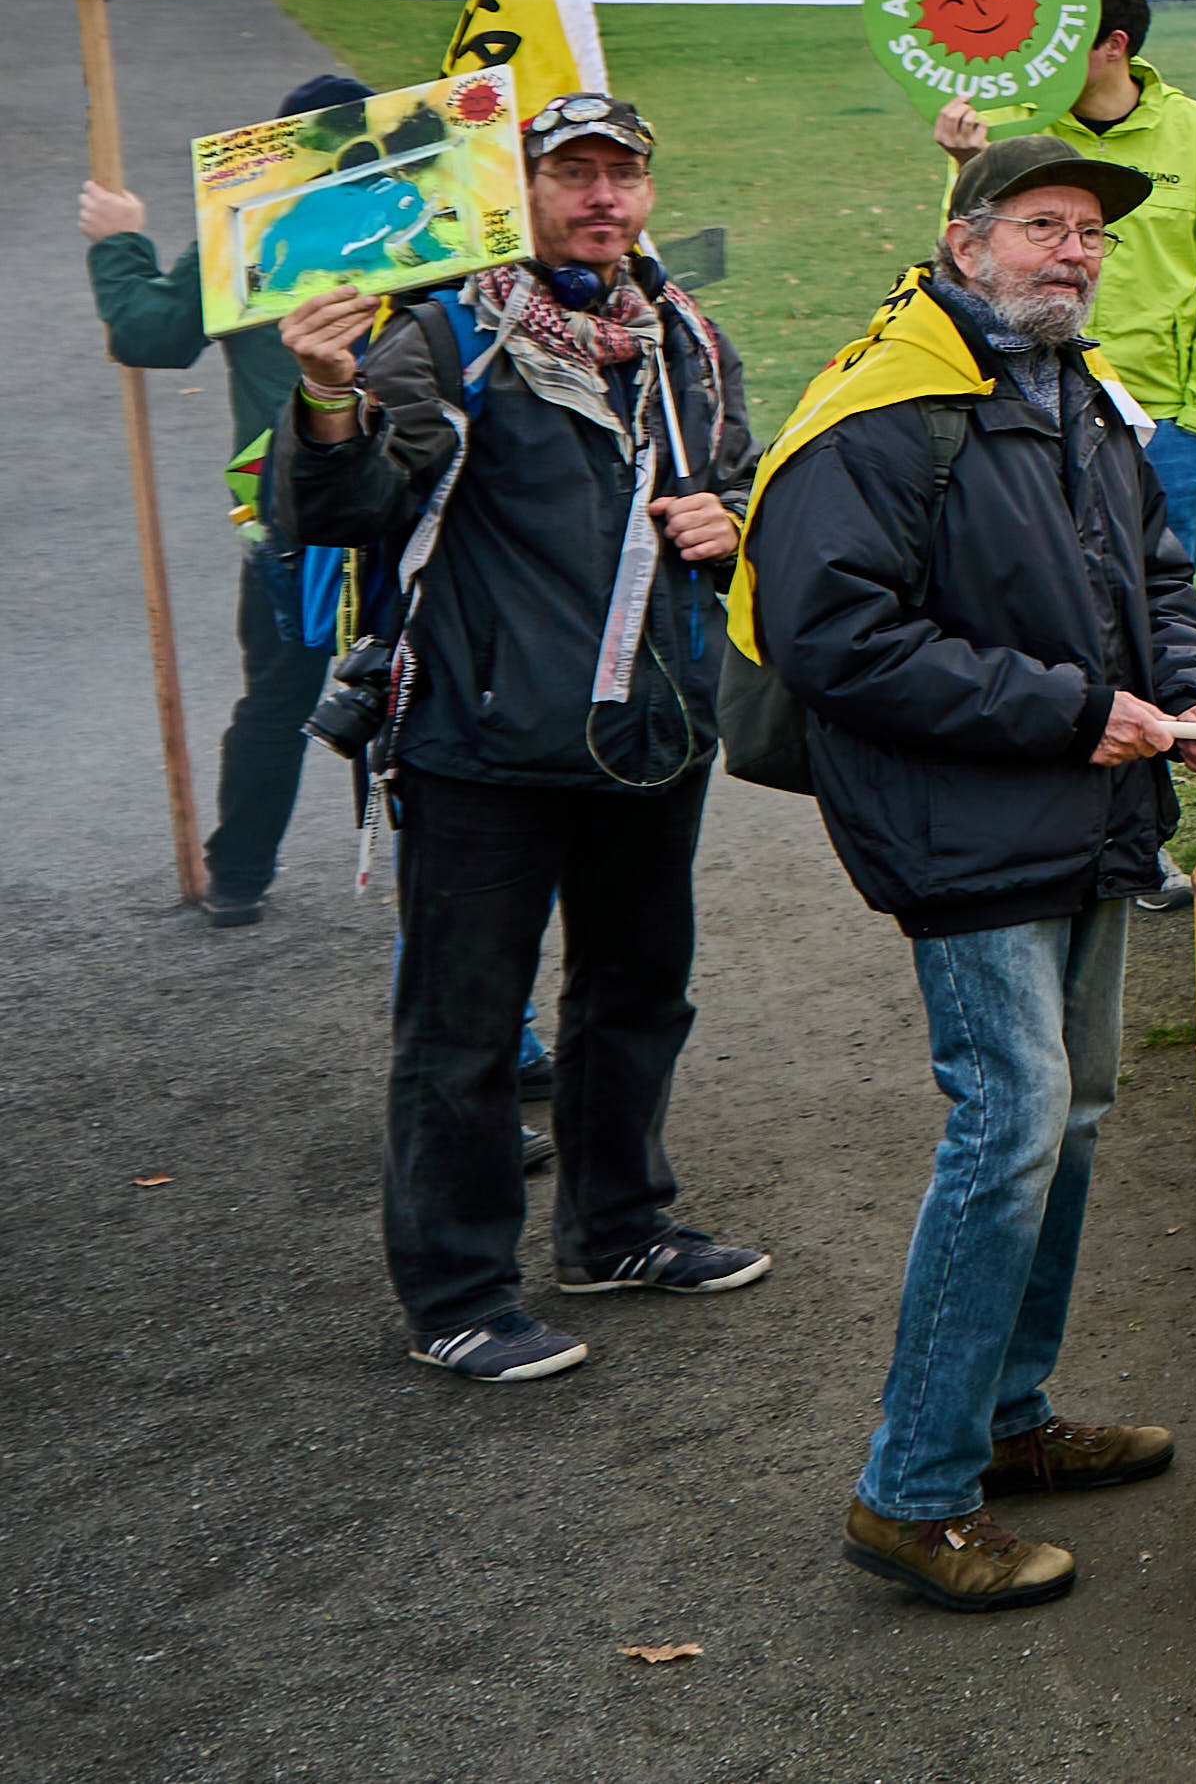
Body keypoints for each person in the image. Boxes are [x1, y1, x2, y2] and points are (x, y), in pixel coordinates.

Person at [738, 138, 1196, 1612]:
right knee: (1009, 1126)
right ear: (964, 243)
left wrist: (1185, 687)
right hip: (963, 825)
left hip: (1087, 809)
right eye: (1042, 227)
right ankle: (913, 1492)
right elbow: (837, 641)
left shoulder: (1080, 391)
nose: (1073, 252)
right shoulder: (881, 412)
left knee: (1070, 1119)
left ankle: (1008, 1418)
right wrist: (1073, 712)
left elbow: (1154, 571)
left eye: (1090, 233)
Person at [270, 93, 762, 1385]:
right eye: (573, 173)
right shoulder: (442, 337)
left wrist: (732, 516)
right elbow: (345, 508)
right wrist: (325, 394)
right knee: (464, 1029)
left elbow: (738, 474)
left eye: (623, 174)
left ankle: (616, 1227)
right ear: (517, 189)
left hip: (649, 730)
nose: (603, 197)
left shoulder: (684, 336)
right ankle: (457, 1294)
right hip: (480, 744)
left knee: (640, 989)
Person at [82, 67, 373, 924]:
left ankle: (239, 875)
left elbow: (148, 332)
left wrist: (120, 241)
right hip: (400, 493)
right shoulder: (435, 221)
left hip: (295, 504)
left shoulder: (249, 230)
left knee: (279, 696)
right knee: (440, 678)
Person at [935, 0, 1196, 562]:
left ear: (1114, 45)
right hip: (1030, 406)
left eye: (1055, 40)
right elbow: (962, 266)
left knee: (1160, 593)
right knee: (1039, 584)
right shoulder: (1003, 128)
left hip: (1164, 417)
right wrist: (965, 164)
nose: (1034, 56)